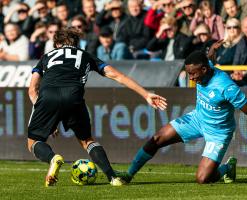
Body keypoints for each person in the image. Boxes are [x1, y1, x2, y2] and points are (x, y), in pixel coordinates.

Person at [118, 51, 247, 184]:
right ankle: (128, 175)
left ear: (204, 70)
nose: (191, 78)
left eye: (193, 74)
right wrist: (213, 49)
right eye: (189, 74)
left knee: (203, 179)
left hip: (219, 132)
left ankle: (227, 168)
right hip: (197, 119)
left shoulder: (225, 87)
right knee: (157, 138)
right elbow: (208, 57)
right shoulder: (205, 66)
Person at [27, 27, 167, 187]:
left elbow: (32, 90)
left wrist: (46, 116)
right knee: (87, 140)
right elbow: (118, 76)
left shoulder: (45, 57)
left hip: (48, 96)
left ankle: (53, 158)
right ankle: (113, 178)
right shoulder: (86, 56)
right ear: (76, 43)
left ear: (57, 44)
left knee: (34, 142)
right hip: (74, 96)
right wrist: (145, 94)